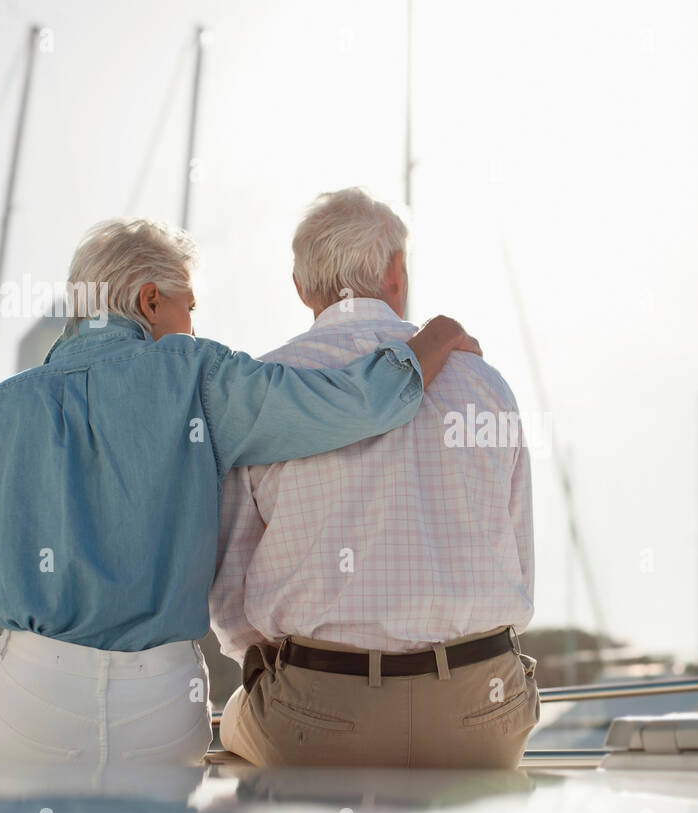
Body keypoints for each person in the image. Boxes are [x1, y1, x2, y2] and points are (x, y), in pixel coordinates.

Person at [0, 217, 480, 767]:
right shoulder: (200, 377)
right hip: (159, 708)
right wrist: (431, 341)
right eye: (187, 308)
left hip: (27, 707)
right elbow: (348, 404)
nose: (194, 325)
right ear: (148, 300)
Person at [210, 188, 536, 769]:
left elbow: (232, 601)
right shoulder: (487, 386)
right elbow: (519, 563)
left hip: (320, 717)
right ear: (395, 272)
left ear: (302, 287)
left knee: (234, 726)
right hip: (481, 713)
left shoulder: (266, 391)